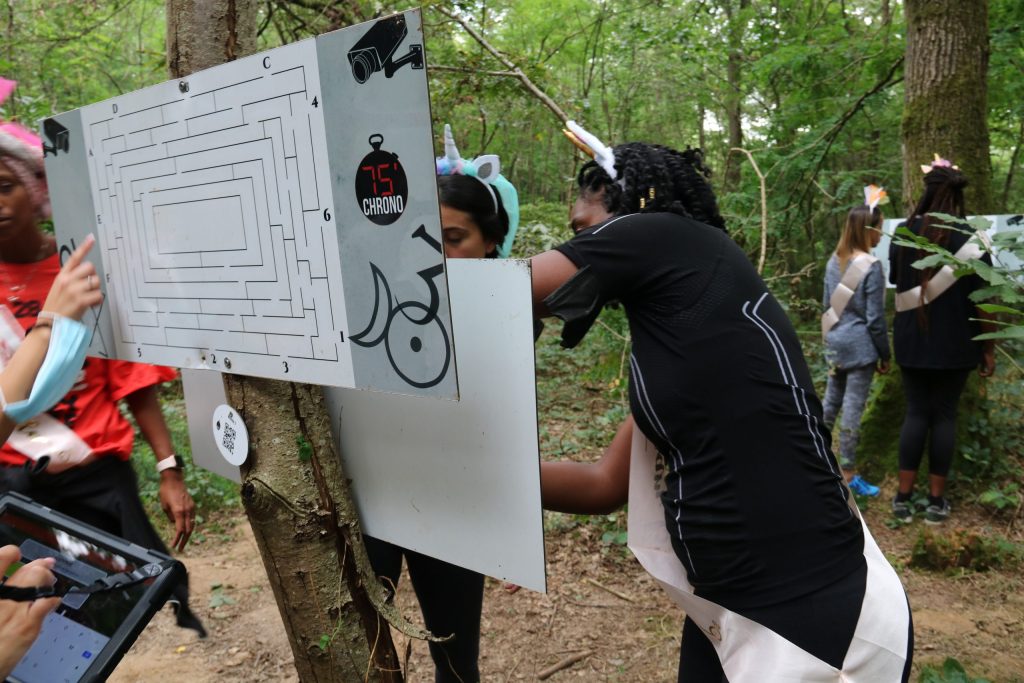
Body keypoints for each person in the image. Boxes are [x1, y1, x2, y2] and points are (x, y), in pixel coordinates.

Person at [534, 122, 912, 681]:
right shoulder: (685, 345)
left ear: (635, 212)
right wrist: (479, 476)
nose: (576, 245)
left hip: (812, 617)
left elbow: (499, 293)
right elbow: (604, 484)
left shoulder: (666, 235)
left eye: (584, 229)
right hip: (731, 609)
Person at [0, 80, 205, 635]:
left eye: (4, 186)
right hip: (17, 489)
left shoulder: (80, 269)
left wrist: (169, 469)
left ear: (33, 190)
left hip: (96, 481)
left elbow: (130, 378)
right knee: (34, 621)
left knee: (110, 615)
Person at [361, 125, 518, 683]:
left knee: (455, 657)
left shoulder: (509, 319)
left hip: (453, 503)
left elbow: (501, 429)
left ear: (491, 242)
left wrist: (512, 531)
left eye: (454, 238)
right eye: (425, 237)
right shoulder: (377, 305)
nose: (437, 252)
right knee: (359, 647)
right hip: (373, 494)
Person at [889, 157, 996, 525]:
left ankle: (902, 499)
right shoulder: (974, 237)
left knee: (916, 412)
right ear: (956, 195)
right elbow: (984, 300)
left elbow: (897, 281)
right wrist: (988, 348)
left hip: (911, 340)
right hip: (957, 343)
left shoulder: (903, 232)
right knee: (945, 415)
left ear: (927, 192)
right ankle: (936, 503)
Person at [820, 186, 891, 497]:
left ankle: (815, 459)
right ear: (868, 230)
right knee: (852, 409)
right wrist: (885, 354)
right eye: (879, 229)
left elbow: (827, 305)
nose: (881, 235)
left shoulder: (833, 262)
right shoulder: (872, 266)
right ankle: (848, 473)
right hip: (861, 347)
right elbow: (875, 319)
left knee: (829, 404)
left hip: (835, 341)